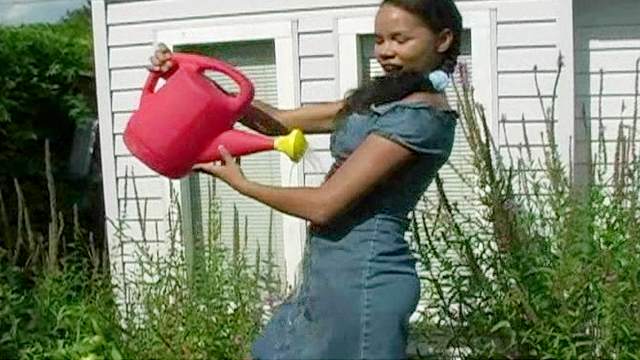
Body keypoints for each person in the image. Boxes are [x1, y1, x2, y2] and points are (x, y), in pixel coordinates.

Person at [150, 0, 462, 358]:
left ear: (442, 40)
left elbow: (325, 205)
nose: (385, 52)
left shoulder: (421, 118)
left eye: (399, 39)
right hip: (328, 277)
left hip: (363, 285)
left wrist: (244, 185)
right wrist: (189, 79)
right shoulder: (382, 101)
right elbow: (281, 121)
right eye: (379, 40)